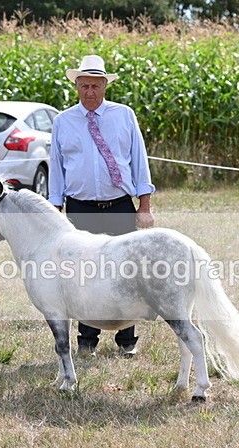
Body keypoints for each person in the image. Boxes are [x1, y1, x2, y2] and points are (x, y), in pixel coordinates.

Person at [48, 54, 156, 359]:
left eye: (95, 86)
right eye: (84, 86)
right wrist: (55, 208)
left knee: (125, 271)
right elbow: (56, 167)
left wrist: (144, 204)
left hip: (120, 204)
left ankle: (127, 339)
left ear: (105, 86)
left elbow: (139, 159)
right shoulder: (63, 121)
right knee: (83, 274)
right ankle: (87, 340)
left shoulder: (124, 115)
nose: (90, 91)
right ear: (77, 87)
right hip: (80, 208)